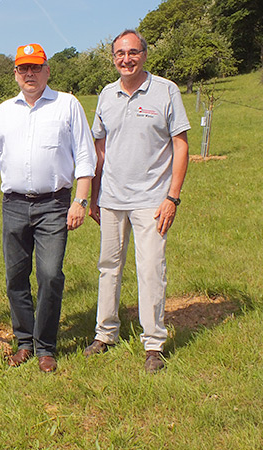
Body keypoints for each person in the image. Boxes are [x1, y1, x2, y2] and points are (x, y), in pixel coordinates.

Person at [0, 44, 96, 373]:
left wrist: (80, 200)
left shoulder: (66, 105)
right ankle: (24, 341)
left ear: (47, 71)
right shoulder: (4, 111)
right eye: (23, 69)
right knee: (16, 277)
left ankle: (46, 346)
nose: (29, 74)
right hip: (13, 204)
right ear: (15, 73)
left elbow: (86, 156)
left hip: (54, 205)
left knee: (49, 275)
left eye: (35, 68)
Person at [84, 30, 190, 373]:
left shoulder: (165, 91)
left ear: (144, 54)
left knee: (150, 270)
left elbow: (181, 145)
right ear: (113, 57)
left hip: (151, 200)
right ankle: (105, 333)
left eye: (132, 52)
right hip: (113, 198)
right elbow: (99, 150)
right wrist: (95, 195)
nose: (125, 59)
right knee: (108, 268)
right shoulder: (106, 95)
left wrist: (172, 196)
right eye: (119, 54)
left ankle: (154, 344)